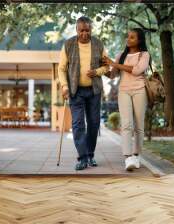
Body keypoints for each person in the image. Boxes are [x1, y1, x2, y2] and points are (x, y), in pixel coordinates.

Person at [58, 16, 109, 170]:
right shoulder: (68, 44)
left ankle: (90, 154)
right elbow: (61, 68)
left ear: (91, 29)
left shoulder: (99, 44)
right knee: (78, 124)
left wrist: (97, 71)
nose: (85, 33)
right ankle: (82, 157)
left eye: (87, 30)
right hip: (76, 90)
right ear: (77, 30)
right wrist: (65, 86)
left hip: (94, 90)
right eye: (82, 30)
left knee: (94, 123)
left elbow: (106, 66)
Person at [103, 28, 150, 171]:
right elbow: (113, 75)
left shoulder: (144, 55)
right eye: (128, 37)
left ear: (139, 40)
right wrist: (100, 69)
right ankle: (128, 157)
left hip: (140, 91)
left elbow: (136, 70)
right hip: (124, 91)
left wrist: (114, 63)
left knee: (139, 126)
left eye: (132, 37)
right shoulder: (120, 56)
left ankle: (136, 155)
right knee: (126, 124)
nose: (128, 39)